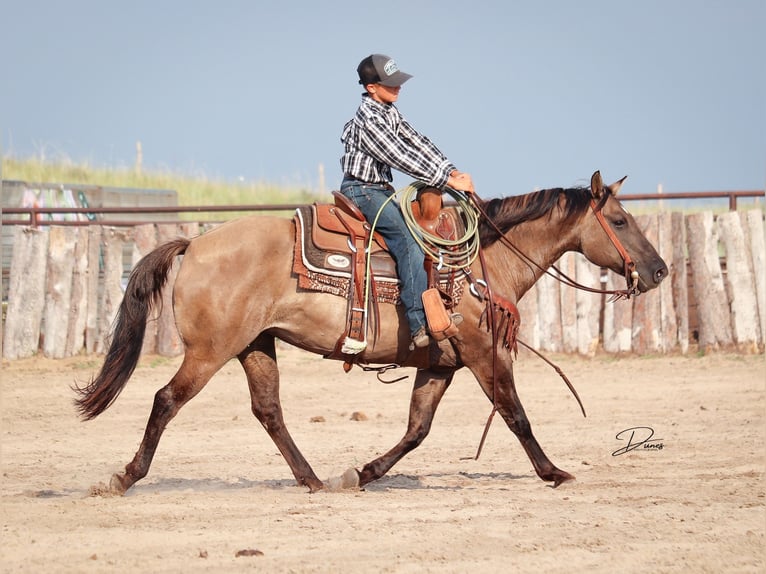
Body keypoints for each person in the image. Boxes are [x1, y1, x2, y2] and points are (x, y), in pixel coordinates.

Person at [339, 54, 475, 350]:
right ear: (372, 87)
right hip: (362, 190)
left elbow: (417, 141)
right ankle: (419, 324)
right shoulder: (369, 120)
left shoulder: (389, 112)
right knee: (407, 240)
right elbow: (398, 156)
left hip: (379, 189)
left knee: (426, 234)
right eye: (391, 83)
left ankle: (435, 308)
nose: (398, 88)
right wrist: (446, 181)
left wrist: (449, 168)